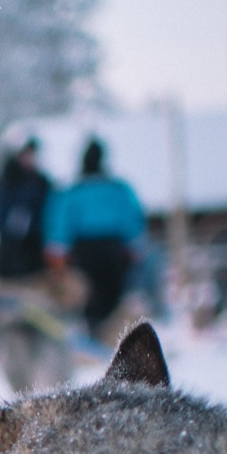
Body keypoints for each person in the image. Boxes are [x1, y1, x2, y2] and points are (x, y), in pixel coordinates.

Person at [44, 137, 147, 337]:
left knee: (89, 295)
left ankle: (93, 333)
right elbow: (132, 219)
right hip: (112, 249)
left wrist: (58, 249)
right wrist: (135, 246)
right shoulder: (118, 189)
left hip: (84, 251)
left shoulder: (73, 191)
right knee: (113, 294)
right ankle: (113, 335)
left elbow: (61, 223)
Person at [0, 138, 52, 283]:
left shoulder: (42, 183)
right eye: (26, 154)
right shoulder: (5, 182)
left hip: (35, 250)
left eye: (32, 154)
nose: (29, 158)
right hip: (10, 250)